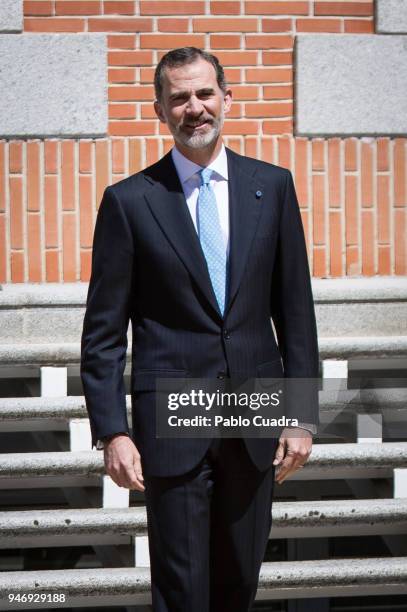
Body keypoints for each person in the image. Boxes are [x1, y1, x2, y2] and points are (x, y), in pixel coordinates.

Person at [80, 47, 319, 612]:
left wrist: (302, 416)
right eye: (179, 97)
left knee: (239, 582)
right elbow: (104, 333)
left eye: (204, 93)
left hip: (254, 418)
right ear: (160, 109)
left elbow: (296, 312)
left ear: (227, 99)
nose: (194, 108)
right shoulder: (130, 202)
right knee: (182, 590)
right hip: (172, 422)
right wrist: (112, 431)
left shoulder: (274, 187)